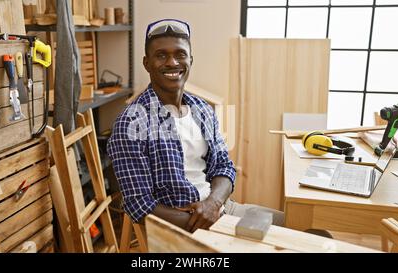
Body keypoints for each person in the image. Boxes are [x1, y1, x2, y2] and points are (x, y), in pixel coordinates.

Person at [107, 18, 284, 232]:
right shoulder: (131, 121)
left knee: (304, 227)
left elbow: (223, 166)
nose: (172, 62)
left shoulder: (202, 109)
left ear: (190, 60)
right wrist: (210, 224)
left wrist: (213, 204)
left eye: (180, 54)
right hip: (179, 224)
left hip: (220, 209)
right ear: (146, 63)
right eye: (161, 55)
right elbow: (139, 205)